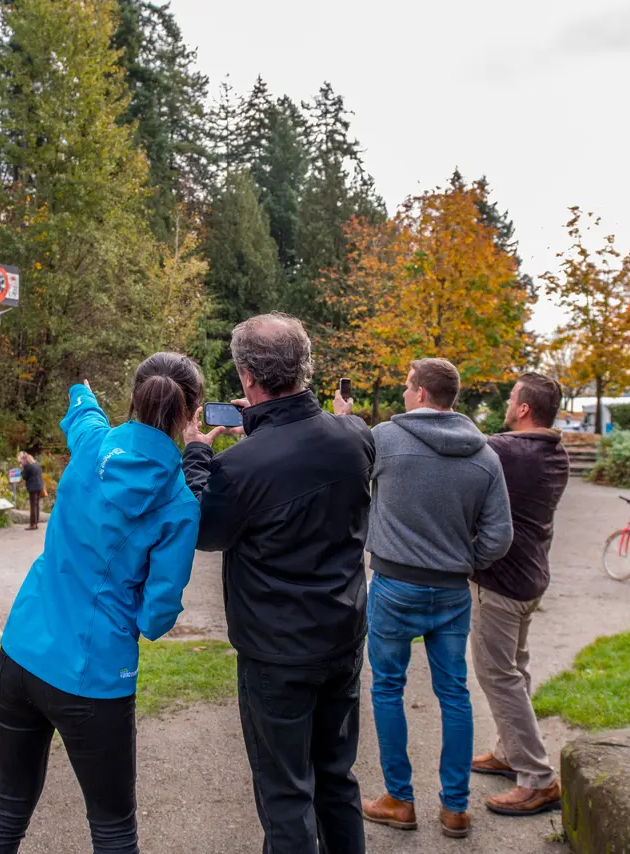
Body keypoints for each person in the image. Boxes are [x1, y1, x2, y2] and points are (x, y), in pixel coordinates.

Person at [0, 353, 204, 854]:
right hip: (93, 677)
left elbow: (84, 414)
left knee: (9, 805)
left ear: (134, 398)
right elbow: (158, 613)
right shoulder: (180, 503)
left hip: (20, 654)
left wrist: (81, 390)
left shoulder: (92, 447)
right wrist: (132, 619)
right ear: (192, 415)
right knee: (113, 827)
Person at [182, 313, 374, 854]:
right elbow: (304, 453)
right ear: (305, 367)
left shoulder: (239, 468)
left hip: (277, 652)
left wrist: (199, 452)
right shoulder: (355, 437)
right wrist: (264, 423)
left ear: (246, 377)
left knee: (286, 793)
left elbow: (206, 529)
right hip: (342, 634)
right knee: (337, 778)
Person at [351, 358, 513, 839]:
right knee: (454, 695)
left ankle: (399, 799)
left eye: (406, 386)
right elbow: (499, 536)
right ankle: (456, 808)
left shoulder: (385, 439)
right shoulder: (486, 456)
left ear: (422, 393)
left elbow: (352, 485)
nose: (403, 393)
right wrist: (463, 558)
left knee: (386, 689)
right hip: (451, 591)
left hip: (394, 585)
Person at [470, 372, 569, 817]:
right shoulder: (553, 451)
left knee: (498, 675)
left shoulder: (509, 450)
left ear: (524, 409)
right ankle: (509, 752)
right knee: (517, 669)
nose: (507, 404)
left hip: (502, 582)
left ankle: (538, 777)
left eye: (511, 398)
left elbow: (457, 446)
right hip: (530, 577)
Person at [18, 452, 44, 530]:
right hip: (39, 486)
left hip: (33, 487)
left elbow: (24, 477)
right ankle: (36, 523)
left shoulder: (27, 466)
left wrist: (22, 468)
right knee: (37, 505)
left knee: (33, 505)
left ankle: (32, 524)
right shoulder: (37, 463)